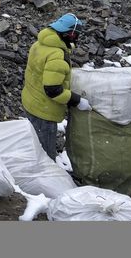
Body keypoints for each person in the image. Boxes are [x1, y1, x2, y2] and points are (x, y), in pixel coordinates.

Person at [21, 13, 91, 160]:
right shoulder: (56, 55)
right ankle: (45, 172)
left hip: (31, 102)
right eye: (76, 36)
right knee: (45, 155)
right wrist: (77, 100)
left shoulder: (40, 44)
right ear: (69, 34)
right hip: (43, 111)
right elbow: (53, 90)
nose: (76, 39)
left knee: (34, 143)